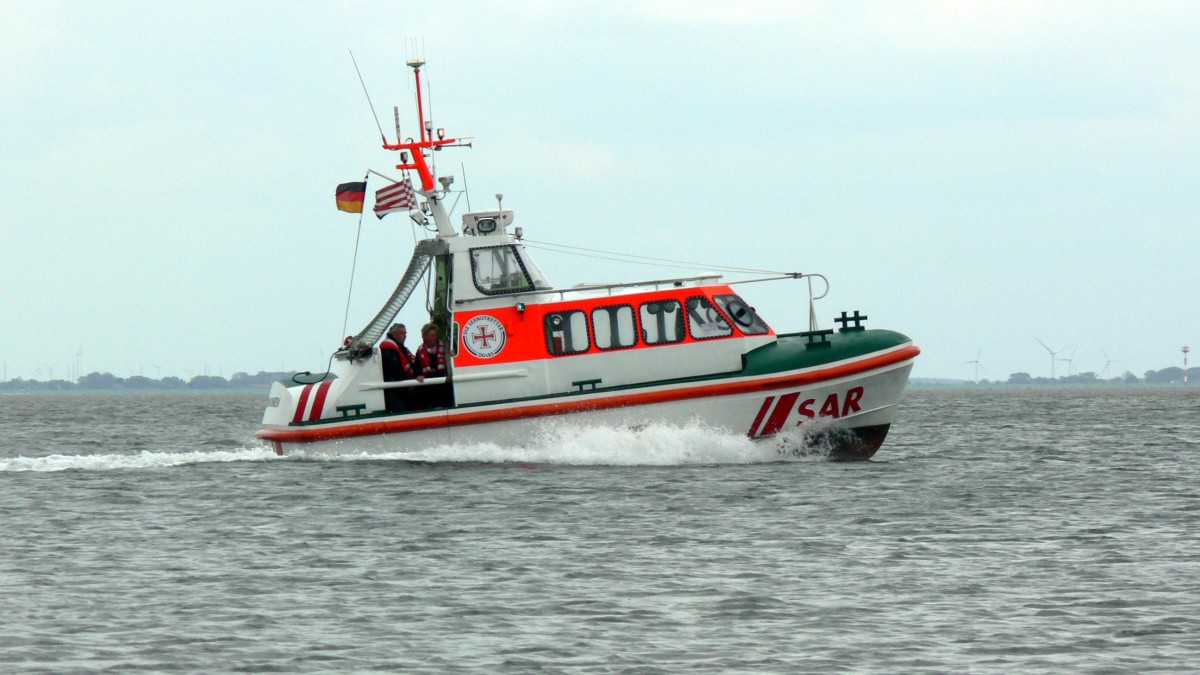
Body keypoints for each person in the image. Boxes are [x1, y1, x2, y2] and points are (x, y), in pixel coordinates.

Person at [379, 323, 420, 412]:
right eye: (402, 333)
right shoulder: (389, 349)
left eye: (405, 333)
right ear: (395, 334)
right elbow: (393, 371)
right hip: (395, 390)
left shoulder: (400, 348)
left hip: (401, 388)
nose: (404, 336)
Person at [415, 322, 451, 408]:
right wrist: (418, 376)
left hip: (443, 383)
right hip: (429, 385)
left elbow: (451, 361)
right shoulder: (420, 351)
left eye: (435, 335)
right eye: (431, 335)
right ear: (425, 337)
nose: (434, 338)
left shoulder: (445, 347)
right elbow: (417, 367)